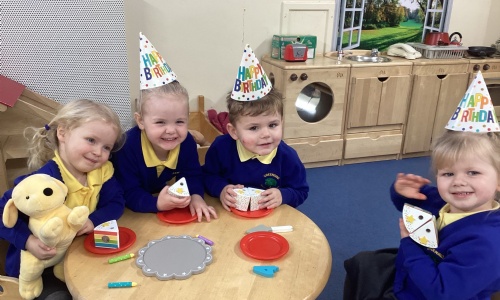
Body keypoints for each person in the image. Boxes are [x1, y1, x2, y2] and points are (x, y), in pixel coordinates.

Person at [344, 130, 500, 300]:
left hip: (428, 290)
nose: (458, 182)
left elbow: (441, 293)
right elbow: (409, 202)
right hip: (410, 276)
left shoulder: (487, 243)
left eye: (473, 172)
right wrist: (399, 192)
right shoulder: (443, 201)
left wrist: (410, 244)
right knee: (362, 263)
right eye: (448, 174)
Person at [0, 98, 127, 299]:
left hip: (78, 256)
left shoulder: (101, 172)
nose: (98, 152)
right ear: (63, 133)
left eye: (106, 147)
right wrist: (28, 241)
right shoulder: (44, 179)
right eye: (91, 140)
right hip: (40, 271)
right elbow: (3, 214)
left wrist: (93, 220)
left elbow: (116, 202)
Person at [111, 32, 217, 222]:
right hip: (133, 213)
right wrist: (156, 204)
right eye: (160, 122)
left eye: (179, 122)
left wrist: (196, 196)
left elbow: (192, 174)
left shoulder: (186, 143)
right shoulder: (127, 148)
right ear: (140, 121)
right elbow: (128, 192)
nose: (171, 130)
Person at [202, 44, 308, 211]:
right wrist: (221, 189)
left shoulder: (287, 157)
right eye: (253, 128)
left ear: (282, 122)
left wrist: (283, 195)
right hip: (230, 215)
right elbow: (207, 176)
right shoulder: (221, 148)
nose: (266, 134)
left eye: (273, 125)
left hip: (270, 219)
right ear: (233, 131)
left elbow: (301, 191)